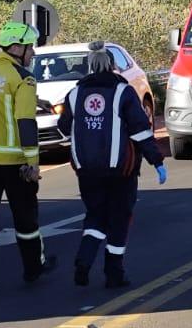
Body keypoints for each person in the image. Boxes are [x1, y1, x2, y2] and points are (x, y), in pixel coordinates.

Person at [57, 43, 167, 287]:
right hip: (121, 171)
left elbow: (64, 127)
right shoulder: (123, 92)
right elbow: (140, 131)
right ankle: (114, 273)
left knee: (95, 215)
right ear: (112, 65)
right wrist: (157, 161)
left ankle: (84, 261)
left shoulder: (75, 94)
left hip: (86, 170)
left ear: (90, 66)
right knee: (119, 218)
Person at [0, 21, 50, 296]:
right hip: (15, 164)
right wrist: (33, 162)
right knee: (26, 220)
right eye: (30, 47)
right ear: (17, 48)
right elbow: (25, 122)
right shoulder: (23, 78)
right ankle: (33, 269)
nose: (33, 53)